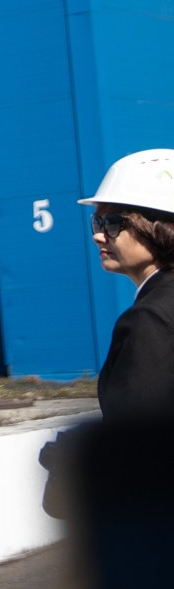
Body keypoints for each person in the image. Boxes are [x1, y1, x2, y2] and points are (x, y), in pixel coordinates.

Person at [80, 148, 174, 420]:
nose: (98, 236)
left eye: (112, 223)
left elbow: (137, 433)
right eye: (97, 222)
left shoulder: (152, 317)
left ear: (160, 228)